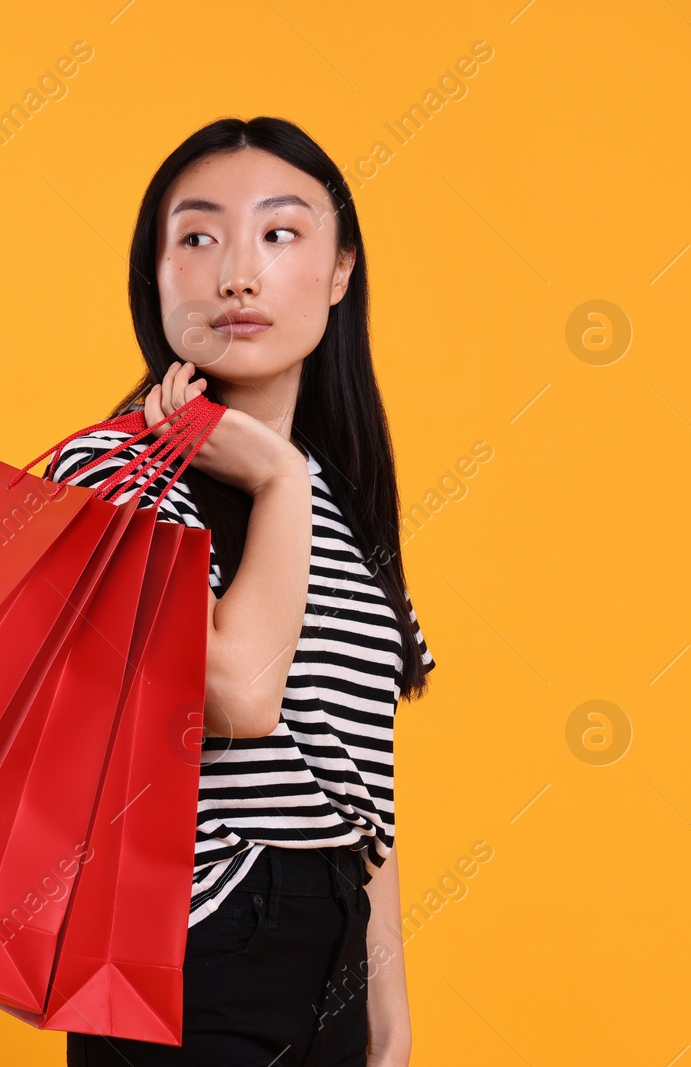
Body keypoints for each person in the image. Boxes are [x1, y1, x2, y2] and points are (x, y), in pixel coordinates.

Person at [48, 117, 436, 1067]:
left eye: (279, 233)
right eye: (198, 236)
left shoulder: (346, 507)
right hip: (191, 950)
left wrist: (388, 1014)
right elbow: (238, 696)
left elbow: (361, 787)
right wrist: (277, 482)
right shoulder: (110, 471)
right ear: (157, 276)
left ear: (341, 272)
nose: (237, 275)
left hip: (332, 956)